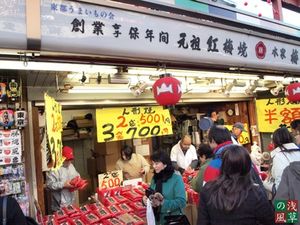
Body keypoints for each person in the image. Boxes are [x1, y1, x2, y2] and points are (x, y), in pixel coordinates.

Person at [197, 145, 275, 225]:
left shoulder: (207, 190)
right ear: (247, 167)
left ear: (223, 165)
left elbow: (202, 222)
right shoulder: (255, 193)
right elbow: (270, 220)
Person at [142, 151, 186, 225]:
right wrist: (145, 199)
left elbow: (182, 202)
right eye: (152, 164)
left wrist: (163, 203)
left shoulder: (176, 178)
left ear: (165, 164)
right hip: (157, 220)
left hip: (172, 219)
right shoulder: (155, 177)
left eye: (156, 163)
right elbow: (151, 193)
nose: (154, 166)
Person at [46, 146, 80, 212]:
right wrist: (63, 184)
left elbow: (77, 175)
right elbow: (49, 185)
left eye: (71, 159)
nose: (69, 162)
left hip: (71, 202)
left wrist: (78, 181)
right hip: (59, 205)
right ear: (62, 158)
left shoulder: (71, 166)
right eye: (67, 160)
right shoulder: (54, 169)